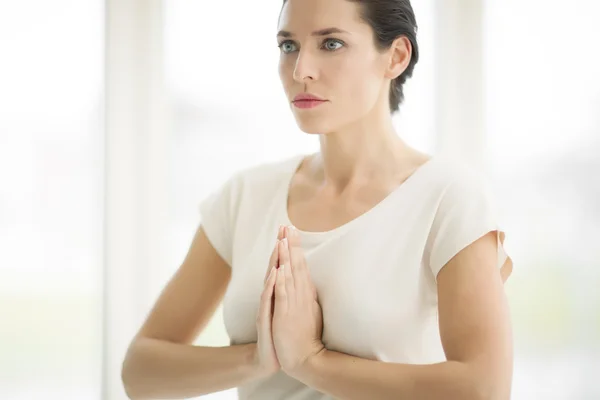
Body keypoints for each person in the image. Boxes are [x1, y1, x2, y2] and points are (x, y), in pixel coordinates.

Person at [121, 0, 514, 398]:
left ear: (395, 56)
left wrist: (310, 361)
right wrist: (259, 358)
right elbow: (140, 372)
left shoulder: (448, 198)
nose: (300, 70)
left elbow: (483, 389)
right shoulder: (245, 197)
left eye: (330, 44)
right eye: (288, 45)